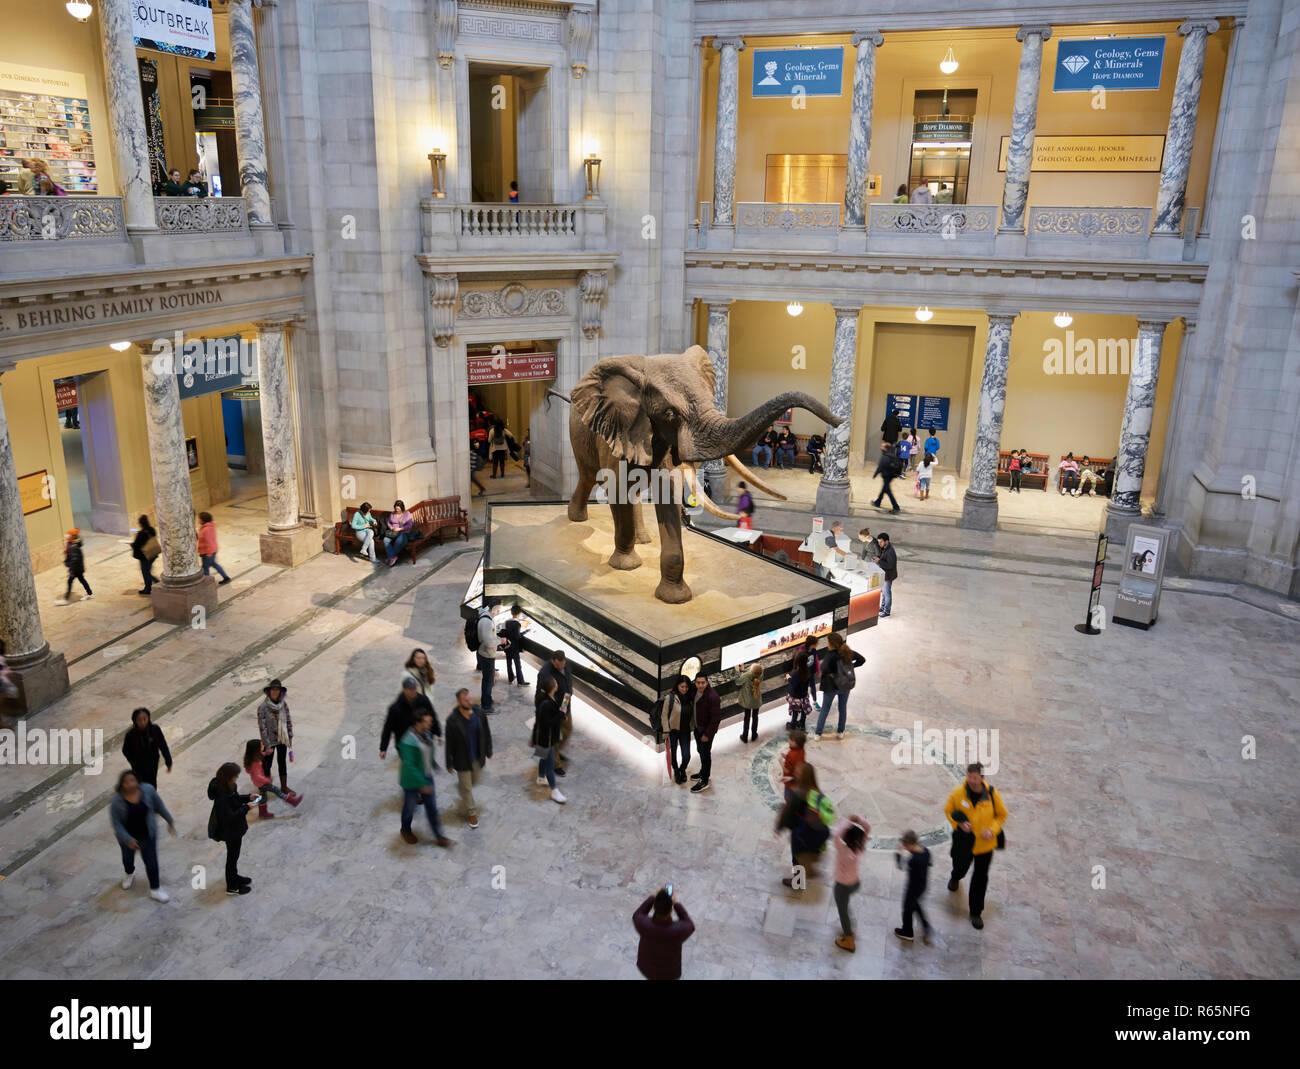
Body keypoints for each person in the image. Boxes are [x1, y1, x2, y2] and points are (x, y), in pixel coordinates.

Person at [944, 761, 1009, 930]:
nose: (972, 781)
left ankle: (976, 912)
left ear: (981, 778)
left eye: (975, 778)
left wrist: (992, 830)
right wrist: (959, 825)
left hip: (984, 845)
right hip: (964, 843)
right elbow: (948, 810)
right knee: (960, 866)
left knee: (980, 878)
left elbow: (1001, 815)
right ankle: (956, 876)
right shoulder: (959, 793)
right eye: (969, 777)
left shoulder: (992, 794)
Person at [109, 770, 176, 902]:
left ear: (137, 780)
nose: (130, 784)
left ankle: (155, 889)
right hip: (128, 838)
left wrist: (169, 820)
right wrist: (128, 839)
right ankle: (129, 872)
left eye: (132, 780)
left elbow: (159, 806)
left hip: (147, 835)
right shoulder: (117, 801)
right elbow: (117, 824)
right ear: (122, 784)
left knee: (151, 862)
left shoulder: (148, 790)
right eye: (126, 782)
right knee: (127, 859)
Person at [398, 709, 452, 846]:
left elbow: (428, 751)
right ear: (418, 723)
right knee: (409, 808)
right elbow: (410, 766)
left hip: (426, 776)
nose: (430, 723)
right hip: (411, 781)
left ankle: (439, 836)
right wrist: (422, 784)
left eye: (430, 721)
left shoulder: (426, 734)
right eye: (427, 722)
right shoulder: (408, 741)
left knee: (432, 808)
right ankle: (405, 830)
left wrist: (433, 764)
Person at [445, 687, 492, 829]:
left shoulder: (479, 713)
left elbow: (486, 732)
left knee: (474, 782)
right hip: (462, 759)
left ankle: (463, 788)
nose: (469, 701)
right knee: (466, 788)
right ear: (459, 702)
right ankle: (472, 813)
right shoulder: (452, 720)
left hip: (477, 756)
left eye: (470, 698)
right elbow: (449, 742)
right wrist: (449, 762)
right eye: (466, 700)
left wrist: (488, 749)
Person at [777, 764, 832, 887]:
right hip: (816, 833)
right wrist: (791, 780)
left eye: (798, 772)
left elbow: (787, 814)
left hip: (801, 833)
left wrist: (778, 828)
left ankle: (798, 881)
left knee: (797, 858)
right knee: (808, 853)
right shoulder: (816, 792)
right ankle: (807, 871)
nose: (795, 772)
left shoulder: (798, 795)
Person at [208, 762, 254, 895]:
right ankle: (232, 887)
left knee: (234, 856)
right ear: (229, 777)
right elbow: (230, 817)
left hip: (235, 829)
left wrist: (248, 797)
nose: (237, 778)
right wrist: (247, 808)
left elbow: (236, 799)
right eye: (236, 776)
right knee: (232, 858)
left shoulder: (229, 787)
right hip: (230, 831)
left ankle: (235, 877)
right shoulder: (221, 796)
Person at [632, 887, 695, 981]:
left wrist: (653, 897)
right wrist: (676, 904)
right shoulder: (679, 930)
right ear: (671, 910)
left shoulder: (643, 923)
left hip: (647, 969)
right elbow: (690, 924)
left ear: (654, 907)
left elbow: (638, 914)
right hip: (670, 973)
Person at [814, 632, 863, 741]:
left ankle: (818, 733)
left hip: (831, 687)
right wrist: (850, 668)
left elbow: (823, 668)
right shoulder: (847, 652)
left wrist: (832, 674)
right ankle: (841, 732)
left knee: (825, 710)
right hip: (845, 686)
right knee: (842, 708)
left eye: (827, 641)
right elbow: (862, 659)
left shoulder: (830, 655)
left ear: (831, 644)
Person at [832, 816, 870, 951]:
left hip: (842, 886)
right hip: (854, 883)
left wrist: (848, 821)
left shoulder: (842, 850)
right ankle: (849, 925)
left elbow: (836, 835)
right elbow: (868, 828)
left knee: (842, 911)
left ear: (846, 838)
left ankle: (849, 940)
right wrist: (859, 820)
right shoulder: (859, 847)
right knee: (845, 904)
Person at [243, 739, 303, 817]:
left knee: (262, 797)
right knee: (278, 791)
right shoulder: (256, 763)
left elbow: (251, 768)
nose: (263, 746)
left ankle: (262, 813)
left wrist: (266, 753)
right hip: (263, 783)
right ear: (256, 750)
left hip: (258, 783)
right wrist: (267, 780)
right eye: (261, 745)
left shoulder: (252, 758)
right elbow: (258, 776)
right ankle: (293, 801)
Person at [535, 649, 573, 774]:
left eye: (562, 665)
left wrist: (564, 709)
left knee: (567, 731)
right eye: (557, 665)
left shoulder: (566, 666)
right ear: (553, 661)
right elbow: (540, 695)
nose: (560, 667)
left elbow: (568, 687)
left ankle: (554, 753)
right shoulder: (545, 673)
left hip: (564, 706)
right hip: (552, 710)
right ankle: (555, 764)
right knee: (554, 737)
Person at [532, 674, 567, 804]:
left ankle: (541, 777)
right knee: (550, 765)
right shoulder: (547, 703)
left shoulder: (548, 699)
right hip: (547, 740)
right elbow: (548, 722)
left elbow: (541, 720)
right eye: (555, 682)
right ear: (552, 687)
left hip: (541, 738)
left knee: (543, 758)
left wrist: (560, 715)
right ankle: (554, 791)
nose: (557, 684)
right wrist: (560, 715)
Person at [256, 679, 294, 796]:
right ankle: (264, 790)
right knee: (267, 765)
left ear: (280, 692)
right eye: (273, 689)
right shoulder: (263, 707)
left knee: (282, 762)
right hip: (270, 742)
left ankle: (284, 786)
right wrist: (267, 745)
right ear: (269, 691)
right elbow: (262, 728)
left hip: (282, 739)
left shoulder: (283, 705)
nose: (275, 692)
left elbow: (288, 720)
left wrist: (290, 736)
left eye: (277, 690)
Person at [895, 829, 933, 943]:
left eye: (905, 845)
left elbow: (901, 866)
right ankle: (926, 927)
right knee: (915, 906)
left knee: (907, 908)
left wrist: (898, 853)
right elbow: (930, 863)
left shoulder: (914, 860)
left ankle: (907, 932)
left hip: (913, 888)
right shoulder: (926, 851)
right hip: (922, 885)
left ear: (909, 844)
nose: (905, 847)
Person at [381, 675, 433, 759]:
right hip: (405, 744)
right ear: (404, 690)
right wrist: (383, 748)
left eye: (415, 688)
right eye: (411, 689)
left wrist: (435, 733)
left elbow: (431, 716)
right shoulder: (395, 709)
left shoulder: (423, 701)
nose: (414, 691)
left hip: (421, 740)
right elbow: (388, 728)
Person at [122, 708, 172, 787]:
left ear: (148, 718)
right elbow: (125, 750)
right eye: (139, 720)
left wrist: (168, 761)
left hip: (153, 763)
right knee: (140, 784)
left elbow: (163, 746)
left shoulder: (155, 730)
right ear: (135, 721)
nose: (142, 722)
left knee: (152, 783)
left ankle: (151, 797)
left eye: (145, 719)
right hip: (138, 766)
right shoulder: (130, 735)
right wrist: (133, 761)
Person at [689, 672, 720, 794]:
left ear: (707, 682)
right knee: (700, 751)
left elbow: (716, 719)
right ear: (695, 683)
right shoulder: (694, 691)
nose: (700, 685)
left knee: (705, 754)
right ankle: (703, 772)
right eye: (698, 683)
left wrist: (707, 734)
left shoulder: (713, 697)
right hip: (697, 728)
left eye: (703, 683)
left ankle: (704, 780)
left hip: (706, 732)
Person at [663, 676, 693, 784]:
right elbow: (664, 715)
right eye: (682, 687)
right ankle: (676, 770)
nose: (684, 689)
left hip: (685, 731)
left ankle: (682, 769)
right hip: (673, 731)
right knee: (674, 753)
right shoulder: (670, 698)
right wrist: (666, 731)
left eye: (686, 687)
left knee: (687, 755)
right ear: (677, 686)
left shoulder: (690, 698)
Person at [784, 638, 817, 730]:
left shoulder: (795, 673)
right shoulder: (807, 671)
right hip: (804, 695)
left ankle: (793, 725)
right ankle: (802, 724)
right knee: (803, 711)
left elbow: (793, 683)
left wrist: (788, 677)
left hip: (796, 697)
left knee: (795, 712)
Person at [54, 528, 92, 605]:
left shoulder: (73, 547)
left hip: (76, 569)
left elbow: (75, 560)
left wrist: (72, 571)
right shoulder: (72, 544)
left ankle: (66, 599)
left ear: (71, 537)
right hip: (78, 569)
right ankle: (90, 593)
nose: (66, 535)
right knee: (82, 580)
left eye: (68, 534)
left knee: (70, 582)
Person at [475, 602, 501, 712]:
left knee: (489, 681)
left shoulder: (487, 616)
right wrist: (501, 641)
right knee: (488, 681)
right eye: (499, 608)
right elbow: (489, 643)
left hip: (486, 654)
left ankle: (488, 700)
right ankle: (486, 706)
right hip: (486, 655)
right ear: (494, 608)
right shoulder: (486, 621)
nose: (499, 611)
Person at [197, 511, 232, 585]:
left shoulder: (206, 529)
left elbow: (208, 541)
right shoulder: (207, 527)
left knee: (205, 567)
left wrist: (209, 553)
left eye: (199, 519)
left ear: (203, 520)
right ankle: (226, 577)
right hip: (210, 550)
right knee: (213, 564)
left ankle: (207, 583)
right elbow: (203, 538)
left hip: (208, 551)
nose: (198, 520)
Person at [499, 604, 528, 686]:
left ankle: (511, 678)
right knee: (518, 665)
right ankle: (520, 681)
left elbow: (503, 633)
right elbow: (517, 636)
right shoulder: (517, 624)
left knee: (509, 663)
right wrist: (524, 633)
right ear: (519, 614)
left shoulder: (506, 622)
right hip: (514, 648)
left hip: (507, 647)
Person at [733, 662, 763, 743]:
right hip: (757, 700)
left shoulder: (747, 675)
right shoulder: (761, 674)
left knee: (747, 718)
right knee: (755, 717)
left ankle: (745, 736)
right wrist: (743, 670)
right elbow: (753, 673)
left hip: (747, 702)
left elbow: (738, 681)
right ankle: (754, 735)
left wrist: (737, 671)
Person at [130, 514, 160, 594]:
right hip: (152, 554)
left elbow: (137, 545)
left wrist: (132, 544)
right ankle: (154, 583)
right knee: (147, 570)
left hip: (145, 556)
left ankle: (149, 587)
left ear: (140, 523)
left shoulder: (141, 534)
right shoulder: (151, 530)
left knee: (145, 572)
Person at [872, 442, 902, 514]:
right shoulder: (892, 455)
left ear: (885, 448)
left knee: (888, 491)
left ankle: (896, 507)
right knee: (884, 489)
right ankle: (877, 502)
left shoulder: (885, 456)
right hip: (891, 475)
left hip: (886, 475)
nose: (881, 448)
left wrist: (875, 474)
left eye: (882, 447)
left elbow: (880, 467)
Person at [383, 499, 415, 565]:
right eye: (396, 508)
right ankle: (393, 557)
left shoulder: (407, 514)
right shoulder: (392, 513)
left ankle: (391, 557)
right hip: (393, 532)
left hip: (403, 532)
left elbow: (410, 525)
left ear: (402, 508)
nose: (397, 510)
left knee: (399, 541)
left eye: (398, 509)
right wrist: (391, 527)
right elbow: (389, 522)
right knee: (385, 540)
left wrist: (400, 529)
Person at [875, 531, 898, 618]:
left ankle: (887, 611)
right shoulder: (884, 548)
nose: (879, 543)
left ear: (886, 541)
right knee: (884, 593)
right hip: (884, 575)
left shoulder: (890, 551)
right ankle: (882, 607)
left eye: (881, 542)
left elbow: (890, 565)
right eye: (878, 542)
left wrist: (879, 561)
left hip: (888, 576)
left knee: (887, 594)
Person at [780, 729, 806, 801]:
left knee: (787, 797)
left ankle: (790, 807)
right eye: (790, 739)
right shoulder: (802, 750)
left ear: (798, 743)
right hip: (798, 778)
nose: (789, 741)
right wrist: (786, 757)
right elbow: (796, 761)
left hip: (790, 781)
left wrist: (781, 762)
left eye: (792, 740)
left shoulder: (791, 754)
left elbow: (787, 771)